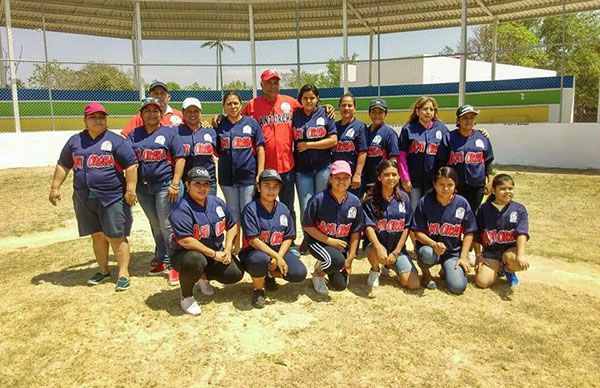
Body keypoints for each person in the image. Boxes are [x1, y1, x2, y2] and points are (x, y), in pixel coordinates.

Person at [238, 69, 336, 253]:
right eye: (269, 82)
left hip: (286, 165)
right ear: (262, 85)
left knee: (287, 206)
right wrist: (219, 118)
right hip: (264, 168)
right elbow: (237, 119)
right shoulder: (252, 105)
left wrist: (326, 107)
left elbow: (310, 107)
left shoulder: (290, 103)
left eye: (276, 82)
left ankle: (288, 243)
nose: (273, 85)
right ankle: (260, 243)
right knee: (261, 206)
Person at [49, 102, 138, 291]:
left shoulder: (115, 140)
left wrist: (130, 190)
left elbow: (131, 165)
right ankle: (104, 270)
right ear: (85, 120)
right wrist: (55, 187)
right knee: (97, 235)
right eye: (93, 117)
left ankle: (123, 273)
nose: (98, 120)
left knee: (116, 236)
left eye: (101, 117)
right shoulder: (75, 141)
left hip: (112, 196)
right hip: (83, 196)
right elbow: (64, 164)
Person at [169, 167, 245, 316]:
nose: (202, 188)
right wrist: (214, 254)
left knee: (235, 273)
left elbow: (232, 226)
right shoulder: (181, 208)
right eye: (197, 184)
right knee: (195, 260)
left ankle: (203, 277)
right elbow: (186, 241)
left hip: (214, 252)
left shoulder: (216, 202)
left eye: (206, 184)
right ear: (187, 185)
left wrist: (227, 249)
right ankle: (186, 297)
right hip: (185, 256)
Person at [126, 97, 185, 286]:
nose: (152, 114)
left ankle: (176, 264)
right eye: (147, 110)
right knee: (155, 224)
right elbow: (128, 161)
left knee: (167, 225)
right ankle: (162, 258)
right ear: (141, 114)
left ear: (161, 114)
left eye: (156, 110)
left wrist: (175, 184)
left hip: (165, 185)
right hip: (143, 187)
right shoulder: (134, 135)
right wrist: (131, 187)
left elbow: (180, 158)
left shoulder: (169, 133)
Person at [240, 169, 307, 308]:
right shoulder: (250, 209)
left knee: (299, 273)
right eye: (267, 185)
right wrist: (276, 256)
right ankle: (258, 289)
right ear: (258, 187)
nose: (271, 190)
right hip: (254, 252)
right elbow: (253, 240)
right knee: (260, 260)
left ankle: (269, 274)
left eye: (275, 186)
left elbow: (288, 237)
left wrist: (279, 257)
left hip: (278, 251)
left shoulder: (283, 208)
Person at [410, 167, 477, 294]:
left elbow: (469, 231)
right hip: (430, 249)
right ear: (434, 184)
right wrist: (433, 244)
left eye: (450, 185)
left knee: (458, 287)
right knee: (426, 254)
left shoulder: (462, 203)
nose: (445, 188)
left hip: (452, 251)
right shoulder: (425, 202)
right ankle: (426, 274)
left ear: (455, 185)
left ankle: (446, 269)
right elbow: (417, 232)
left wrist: (463, 257)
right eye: (441, 184)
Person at [302, 160, 363, 294]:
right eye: (337, 177)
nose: (341, 181)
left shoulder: (355, 202)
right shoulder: (318, 199)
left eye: (345, 177)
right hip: (318, 242)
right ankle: (319, 273)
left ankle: (328, 262)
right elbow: (307, 226)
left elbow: (356, 232)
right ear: (330, 179)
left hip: (339, 246)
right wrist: (330, 241)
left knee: (341, 285)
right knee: (336, 261)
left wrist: (351, 258)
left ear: (351, 178)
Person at [216, 91, 265, 253]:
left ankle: (249, 246)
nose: (233, 106)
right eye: (229, 103)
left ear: (241, 104)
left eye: (235, 103)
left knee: (247, 212)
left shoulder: (251, 123)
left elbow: (260, 148)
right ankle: (235, 248)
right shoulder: (220, 124)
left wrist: (260, 173)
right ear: (223, 106)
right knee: (233, 214)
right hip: (227, 178)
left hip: (248, 177)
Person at [292, 84, 338, 253]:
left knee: (322, 204)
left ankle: (323, 239)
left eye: (312, 97)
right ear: (300, 100)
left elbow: (333, 140)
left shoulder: (325, 113)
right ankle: (308, 239)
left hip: (322, 167)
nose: (309, 101)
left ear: (317, 98)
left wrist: (309, 145)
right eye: (305, 98)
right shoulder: (295, 114)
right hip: (302, 169)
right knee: (306, 205)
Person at [362, 159, 419, 290]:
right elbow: (369, 226)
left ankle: (390, 265)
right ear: (379, 177)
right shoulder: (370, 199)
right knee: (376, 251)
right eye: (386, 174)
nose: (390, 178)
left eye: (394, 174)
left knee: (413, 284)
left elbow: (406, 226)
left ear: (399, 176)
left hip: (396, 248)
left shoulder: (404, 198)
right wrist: (378, 247)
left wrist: (396, 252)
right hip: (376, 246)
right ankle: (375, 269)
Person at [474, 174, 530, 288]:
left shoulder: (519, 209)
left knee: (516, 262)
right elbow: (476, 234)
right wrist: (479, 256)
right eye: (503, 189)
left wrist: (520, 255)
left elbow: (522, 233)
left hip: (510, 250)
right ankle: (498, 268)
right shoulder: (483, 209)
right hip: (491, 251)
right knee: (482, 282)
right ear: (493, 190)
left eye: (510, 188)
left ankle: (508, 269)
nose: (507, 191)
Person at [436, 105, 494, 213]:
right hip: (455, 184)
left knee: (473, 213)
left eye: (472, 117)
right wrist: (445, 182)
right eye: (465, 118)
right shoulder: (449, 137)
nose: (469, 120)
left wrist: (490, 181)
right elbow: (441, 161)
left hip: (477, 184)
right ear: (458, 120)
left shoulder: (482, 137)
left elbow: (488, 160)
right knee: (454, 211)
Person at [398, 97, 450, 211]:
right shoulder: (409, 129)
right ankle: (413, 229)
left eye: (431, 109)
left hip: (433, 180)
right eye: (425, 109)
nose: (428, 112)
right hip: (413, 179)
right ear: (417, 111)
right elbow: (401, 155)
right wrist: (405, 178)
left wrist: (478, 133)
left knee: (431, 208)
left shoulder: (441, 129)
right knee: (414, 208)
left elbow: (452, 145)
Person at [177, 97, 218, 196]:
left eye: (196, 111)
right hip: (185, 182)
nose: (192, 114)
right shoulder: (175, 131)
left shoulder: (211, 131)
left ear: (200, 112)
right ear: (183, 112)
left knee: (208, 209)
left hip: (208, 181)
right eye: (189, 111)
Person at [333, 92, 368, 198]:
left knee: (352, 206)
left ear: (355, 108)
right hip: (337, 175)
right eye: (343, 105)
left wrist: (357, 174)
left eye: (350, 105)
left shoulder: (360, 126)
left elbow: (363, 151)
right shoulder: (334, 126)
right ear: (339, 107)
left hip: (352, 176)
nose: (346, 108)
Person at [364, 98, 399, 195]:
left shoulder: (389, 133)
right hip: (366, 179)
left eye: (380, 112)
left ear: (385, 114)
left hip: (382, 182)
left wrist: (389, 179)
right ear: (369, 113)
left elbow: (394, 159)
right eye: (374, 112)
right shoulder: (365, 131)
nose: (377, 115)